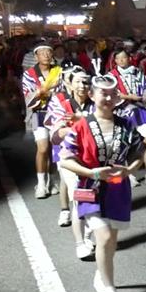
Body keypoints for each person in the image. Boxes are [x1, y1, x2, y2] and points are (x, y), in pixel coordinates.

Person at [58, 74, 146, 292]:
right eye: (102, 93)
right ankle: (110, 290)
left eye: (112, 94)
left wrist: (129, 170)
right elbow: (65, 159)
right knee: (104, 237)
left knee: (110, 242)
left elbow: (140, 152)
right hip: (90, 188)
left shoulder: (126, 124)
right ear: (92, 95)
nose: (107, 98)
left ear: (117, 97)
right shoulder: (81, 126)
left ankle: (101, 273)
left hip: (118, 189)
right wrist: (92, 172)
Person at [45, 66, 95, 257]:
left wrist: (81, 120)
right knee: (79, 196)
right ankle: (80, 243)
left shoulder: (95, 101)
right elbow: (57, 133)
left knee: (92, 197)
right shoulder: (59, 102)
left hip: (93, 158)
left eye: (86, 82)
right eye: (78, 81)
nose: (82, 85)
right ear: (70, 85)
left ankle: (88, 235)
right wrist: (84, 125)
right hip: (68, 156)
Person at [109, 48, 146, 186]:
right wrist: (130, 97)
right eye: (118, 58)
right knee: (124, 143)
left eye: (124, 57)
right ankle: (128, 175)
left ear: (129, 58)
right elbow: (112, 94)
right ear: (115, 60)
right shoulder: (111, 76)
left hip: (139, 111)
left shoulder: (137, 72)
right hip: (121, 112)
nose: (121, 60)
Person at [23, 44, 63, 198]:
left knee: (53, 149)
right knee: (42, 148)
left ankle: (51, 180)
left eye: (48, 52)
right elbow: (28, 96)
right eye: (42, 53)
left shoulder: (59, 71)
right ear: (36, 56)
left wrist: (44, 92)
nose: (46, 55)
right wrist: (45, 91)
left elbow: (64, 92)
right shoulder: (29, 74)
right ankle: (40, 184)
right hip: (39, 113)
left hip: (56, 114)